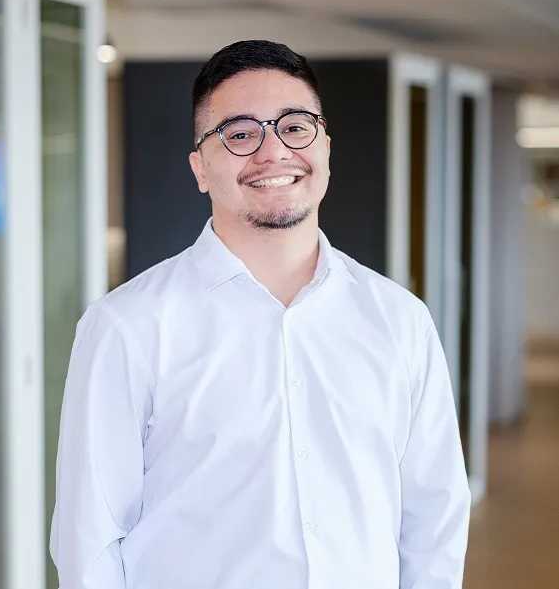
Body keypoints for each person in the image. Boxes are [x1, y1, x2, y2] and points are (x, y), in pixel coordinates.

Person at [50, 40, 471, 589]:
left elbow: (434, 519)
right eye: (241, 134)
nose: (273, 152)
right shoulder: (127, 326)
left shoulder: (400, 320)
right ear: (201, 168)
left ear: (325, 149)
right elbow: (90, 540)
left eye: (295, 126)